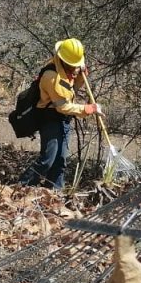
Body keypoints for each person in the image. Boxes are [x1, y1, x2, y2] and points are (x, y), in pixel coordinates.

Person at [18, 38, 102, 190]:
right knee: (47, 160)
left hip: (63, 120)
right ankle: (21, 187)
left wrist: (80, 77)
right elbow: (62, 106)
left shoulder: (65, 70)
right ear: (64, 60)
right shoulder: (51, 76)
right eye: (73, 65)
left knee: (60, 160)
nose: (76, 67)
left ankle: (55, 191)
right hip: (50, 119)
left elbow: (70, 91)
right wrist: (88, 109)